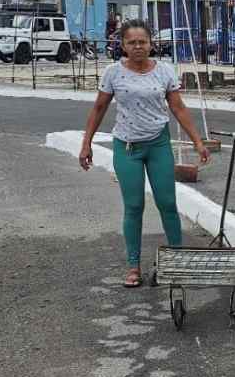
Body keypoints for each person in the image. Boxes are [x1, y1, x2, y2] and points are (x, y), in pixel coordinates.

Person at [78, 19, 211, 288]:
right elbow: (99, 109)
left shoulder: (164, 72)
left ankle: (177, 260)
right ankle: (133, 265)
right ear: (123, 45)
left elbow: (179, 108)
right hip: (127, 148)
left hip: (158, 145)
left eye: (143, 42)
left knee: (167, 203)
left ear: (151, 44)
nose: (138, 46)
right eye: (132, 42)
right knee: (134, 206)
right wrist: (86, 143)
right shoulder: (113, 73)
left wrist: (198, 141)